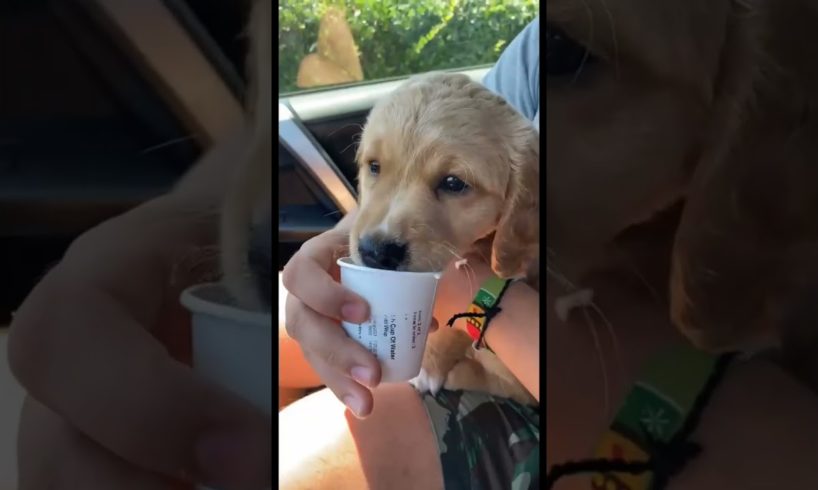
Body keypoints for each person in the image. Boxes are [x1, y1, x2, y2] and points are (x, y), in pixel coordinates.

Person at [9, 15, 818, 490]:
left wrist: (467, 292)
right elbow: (448, 170)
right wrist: (190, 232)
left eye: (578, 58)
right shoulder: (535, 62)